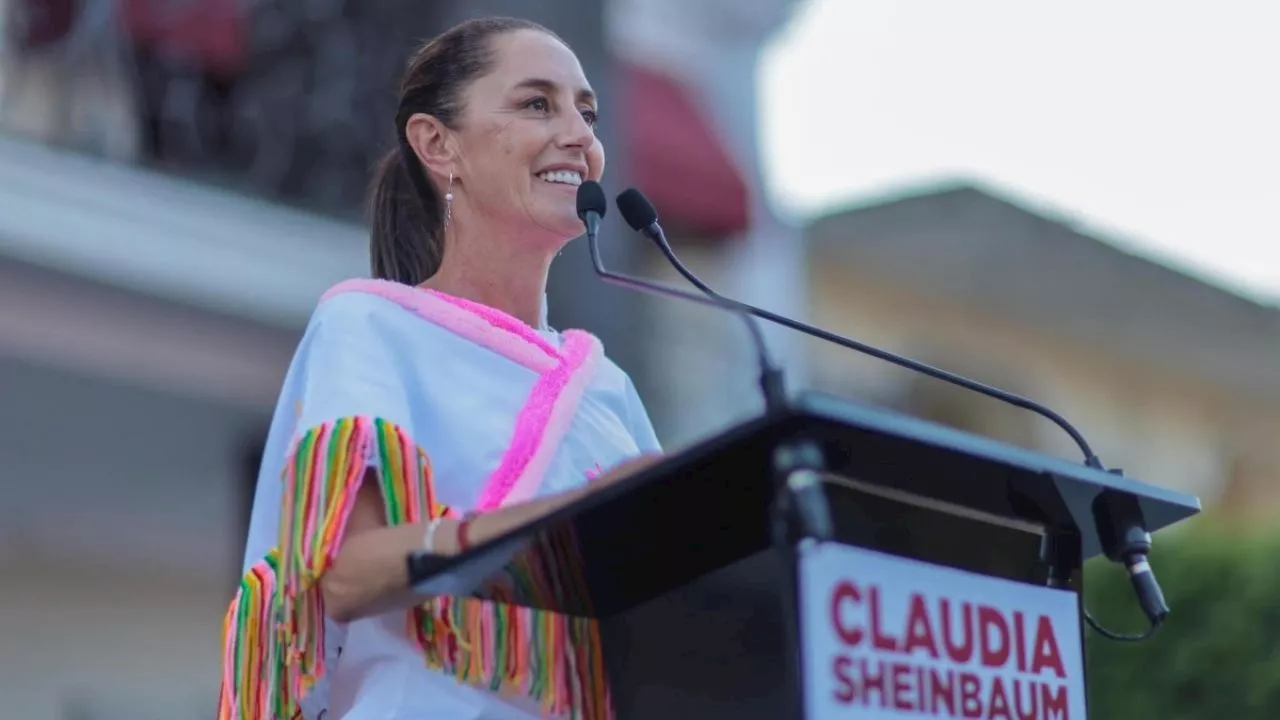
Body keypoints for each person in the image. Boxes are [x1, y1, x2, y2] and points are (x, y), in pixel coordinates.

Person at [218, 17, 663, 720]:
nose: (580, 135)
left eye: (588, 111)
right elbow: (343, 575)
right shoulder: (369, 324)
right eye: (536, 103)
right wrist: (565, 528)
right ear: (437, 144)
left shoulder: (608, 389)